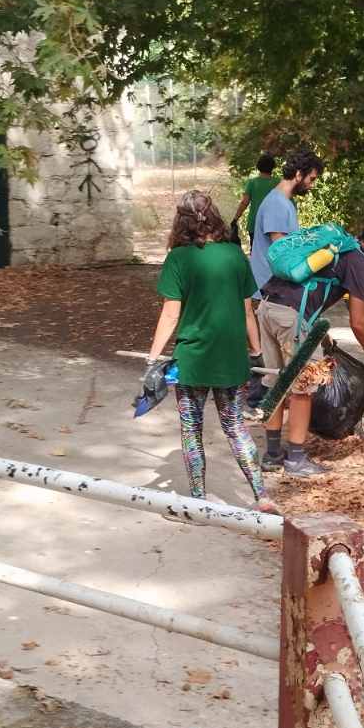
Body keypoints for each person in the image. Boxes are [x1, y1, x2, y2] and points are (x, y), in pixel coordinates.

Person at [145, 190, 277, 512]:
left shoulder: (179, 258)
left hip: (192, 361)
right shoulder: (235, 255)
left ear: (181, 221)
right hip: (231, 359)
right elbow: (247, 312)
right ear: (214, 216)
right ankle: (262, 496)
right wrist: (256, 351)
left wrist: (152, 358)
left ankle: (198, 501)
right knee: (235, 427)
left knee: (192, 429)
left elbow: (171, 315)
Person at [258, 220, 364, 479]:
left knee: (275, 384)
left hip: (267, 307)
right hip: (292, 317)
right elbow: (358, 322)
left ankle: (272, 455)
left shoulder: (337, 245)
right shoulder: (358, 262)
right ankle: (296, 459)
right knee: (304, 387)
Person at [248, 146, 323, 293]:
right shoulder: (277, 204)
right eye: (311, 179)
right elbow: (283, 253)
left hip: (274, 291)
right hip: (267, 293)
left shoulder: (284, 201)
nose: (312, 185)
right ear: (299, 174)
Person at [231, 152, 278, 248]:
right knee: (272, 251)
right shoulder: (278, 182)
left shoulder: (252, 183)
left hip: (255, 224)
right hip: (274, 224)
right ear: (272, 167)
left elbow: (244, 203)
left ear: (258, 167)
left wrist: (236, 218)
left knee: (256, 251)